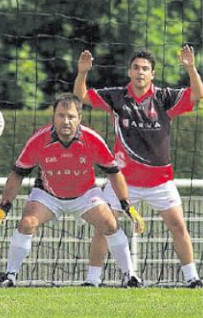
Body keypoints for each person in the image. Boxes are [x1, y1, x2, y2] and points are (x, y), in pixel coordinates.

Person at [74, 45, 203, 288]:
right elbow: (81, 97)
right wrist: (82, 72)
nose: (140, 72)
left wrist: (190, 68)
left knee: (178, 226)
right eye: (136, 67)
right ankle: (92, 280)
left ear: (152, 74)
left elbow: (197, 94)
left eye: (145, 68)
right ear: (129, 72)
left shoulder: (164, 97)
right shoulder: (116, 96)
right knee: (104, 226)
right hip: (121, 181)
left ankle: (192, 278)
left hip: (160, 181)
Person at [0, 93, 143, 288]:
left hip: (85, 194)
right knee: (27, 223)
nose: (66, 121)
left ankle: (129, 276)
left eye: (71, 116)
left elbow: (114, 172)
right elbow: (17, 174)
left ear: (80, 118)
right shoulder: (39, 139)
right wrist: (4, 208)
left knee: (110, 224)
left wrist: (127, 205)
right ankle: (10, 276)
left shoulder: (92, 139)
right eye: (61, 115)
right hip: (48, 195)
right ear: (54, 117)